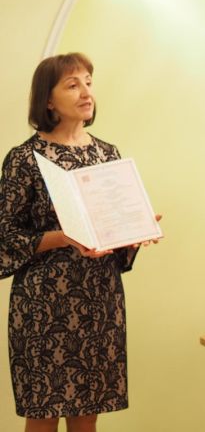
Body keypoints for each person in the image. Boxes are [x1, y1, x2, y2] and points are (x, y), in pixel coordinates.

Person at [0, 53, 159, 432]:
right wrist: (63, 237)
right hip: (44, 305)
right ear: (48, 100)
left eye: (88, 82)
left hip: (99, 300)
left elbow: (111, 230)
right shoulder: (24, 159)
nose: (86, 92)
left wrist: (135, 230)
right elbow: (6, 235)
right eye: (73, 85)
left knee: (87, 418)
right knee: (42, 416)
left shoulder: (107, 154)